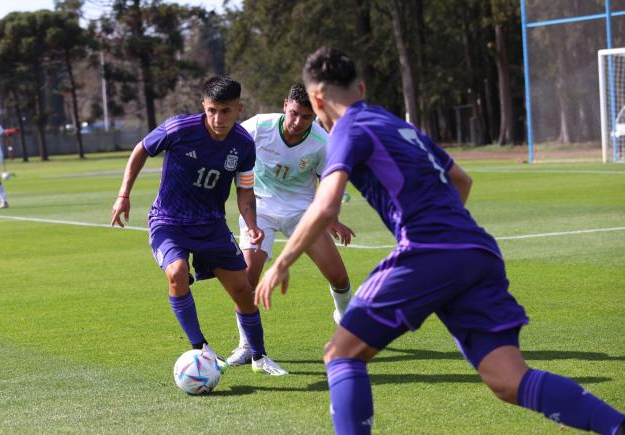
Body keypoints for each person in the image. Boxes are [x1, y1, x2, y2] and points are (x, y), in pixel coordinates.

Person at [255, 47, 625, 433]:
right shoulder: (397, 124)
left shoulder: (348, 128)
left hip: (428, 250)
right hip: (477, 250)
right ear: (360, 87)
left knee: (341, 354)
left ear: (316, 99)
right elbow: (462, 180)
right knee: (508, 379)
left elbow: (326, 204)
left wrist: (282, 262)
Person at [110, 76, 288, 376]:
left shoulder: (243, 144)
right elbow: (141, 149)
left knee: (243, 291)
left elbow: (244, 191)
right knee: (178, 273)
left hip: (211, 226)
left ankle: (258, 357)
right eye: (211, 110)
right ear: (203, 107)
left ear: (239, 109)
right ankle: (201, 349)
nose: (218, 118)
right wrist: (123, 195)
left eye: (226, 111)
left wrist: (252, 223)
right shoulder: (179, 128)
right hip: (168, 221)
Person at [226, 83, 355, 366]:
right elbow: (228, 142)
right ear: (285, 104)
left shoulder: (323, 142)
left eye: (306, 117)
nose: (298, 123)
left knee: (339, 277)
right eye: (294, 113)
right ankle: (247, 344)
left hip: (302, 214)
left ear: (315, 116)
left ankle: (347, 323)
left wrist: (332, 218)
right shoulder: (260, 126)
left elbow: (329, 181)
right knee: (247, 279)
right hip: (259, 209)